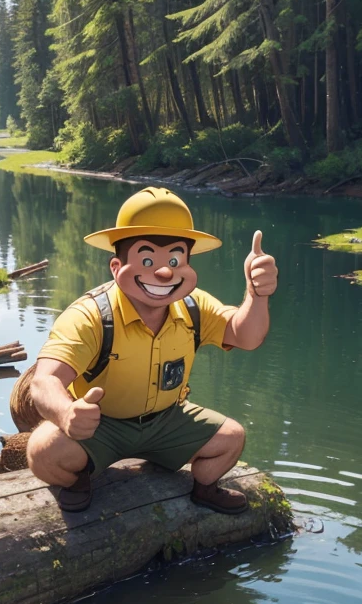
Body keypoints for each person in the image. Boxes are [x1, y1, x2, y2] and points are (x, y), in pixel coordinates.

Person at [26, 187, 277, 513]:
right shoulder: (90, 316)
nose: (163, 272)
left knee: (231, 439)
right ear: (117, 267)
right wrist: (66, 413)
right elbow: (44, 381)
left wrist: (257, 296)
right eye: (147, 259)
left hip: (167, 420)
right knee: (44, 451)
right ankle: (78, 481)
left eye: (174, 259)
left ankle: (204, 487)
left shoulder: (193, 306)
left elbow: (246, 337)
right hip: (102, 425)